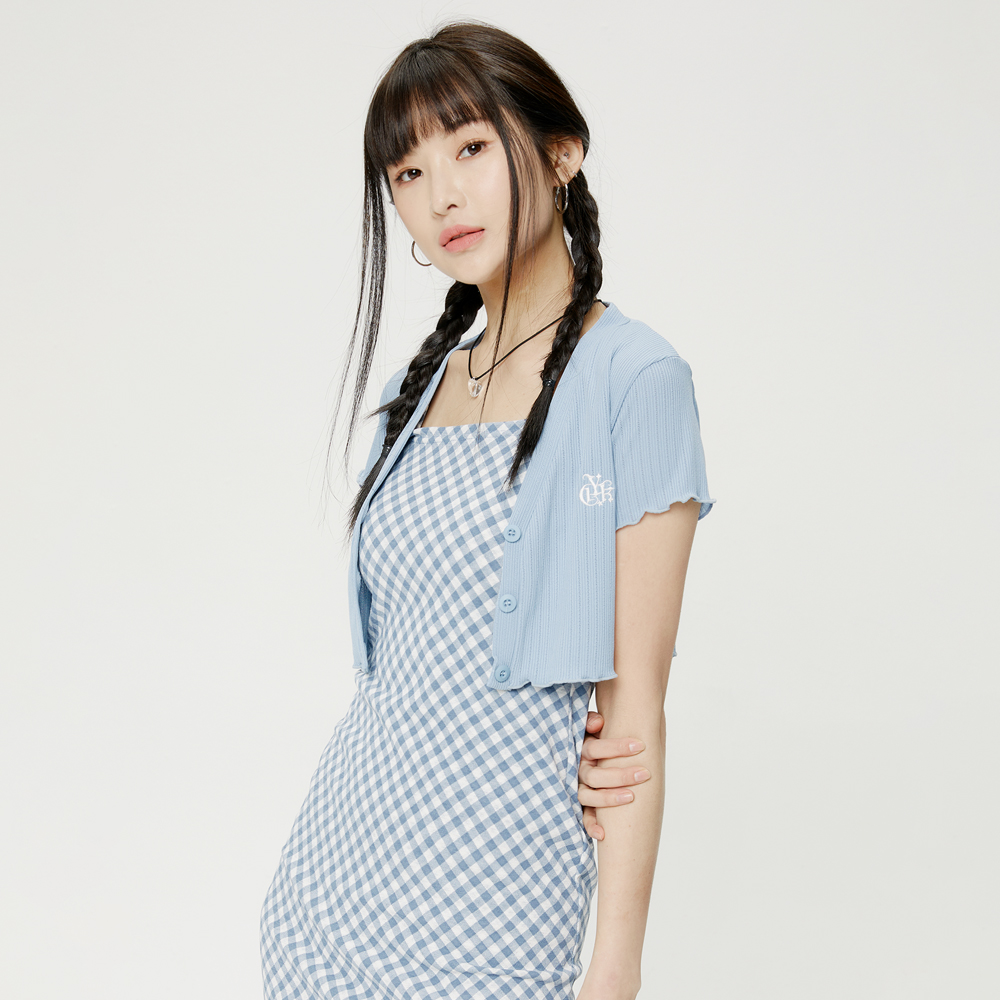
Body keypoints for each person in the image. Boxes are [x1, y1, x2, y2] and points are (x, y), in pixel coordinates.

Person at [260, 20, 714, 1000]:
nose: (441, 196)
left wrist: (614, 970)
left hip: (495, 917)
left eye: (469, 146)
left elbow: (632, 712)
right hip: (328, 901)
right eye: (408, 172)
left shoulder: (634, 381)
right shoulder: (410, 394)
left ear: (561, 152)